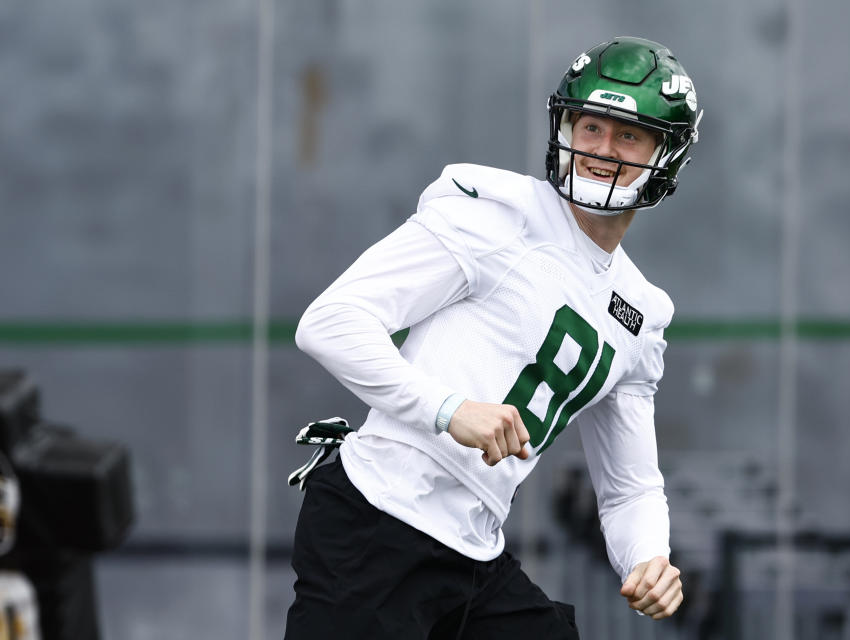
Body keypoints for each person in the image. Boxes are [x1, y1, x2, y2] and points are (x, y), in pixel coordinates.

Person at [285, 35, 702, 640]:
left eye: (628, 135)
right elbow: (329, 323)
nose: (601, 149)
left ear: (665, 154)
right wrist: (449, 410)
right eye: (590, 127)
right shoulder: (495, 216)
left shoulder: (641, 312)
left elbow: (629, 487)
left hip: (473, 551)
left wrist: (649, 559)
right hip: (377, 523)